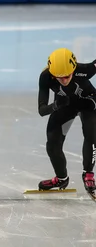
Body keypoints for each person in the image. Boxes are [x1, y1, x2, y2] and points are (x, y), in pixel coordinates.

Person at [36, 48, 95, 194]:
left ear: (73, 68)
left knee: (92, 135)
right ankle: (62, 178)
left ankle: (88, 174)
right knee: (52, 144)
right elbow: (42, 110)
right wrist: (56, 105)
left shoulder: (85, 70)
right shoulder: (45, 77)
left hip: (88, 104)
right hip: (64, 105)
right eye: (59, 77)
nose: (63, 80)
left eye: (67, 76)